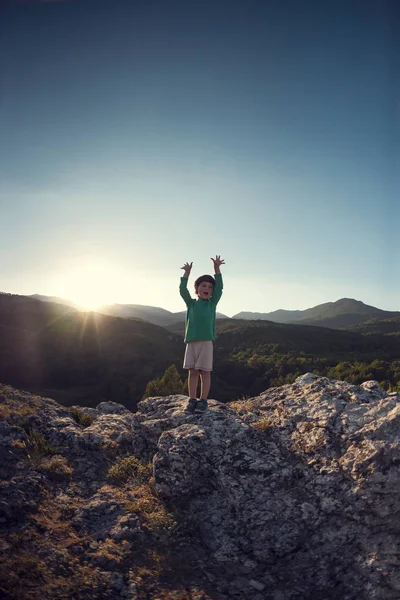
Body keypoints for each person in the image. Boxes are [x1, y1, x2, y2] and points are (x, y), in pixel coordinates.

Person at [179, 255, 225, 413]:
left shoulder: (212, 303)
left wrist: (217, 270)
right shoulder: (191, 303)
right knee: (192, 372)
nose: (207, 288)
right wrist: (186, 274)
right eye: (203, 285)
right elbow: (182, 291)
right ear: (197, 289)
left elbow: (220, 287)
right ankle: (192, 399)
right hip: (191, 342)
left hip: (206, 342)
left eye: (210, 287)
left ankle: (203, 401)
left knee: (205, 372)